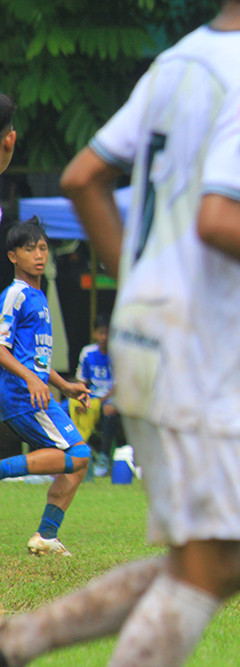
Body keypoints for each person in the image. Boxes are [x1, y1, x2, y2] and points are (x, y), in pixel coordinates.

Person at [0, 1, 240, 665]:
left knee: (229, 557)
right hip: (202, 345)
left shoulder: (176, 61)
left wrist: (143, 287)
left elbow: (83, 177)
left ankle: (21, 639)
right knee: (221, 560)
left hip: (151, 334)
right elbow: (220, 219)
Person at [0, 218, 92, 557]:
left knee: (79, 463)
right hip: (22, 395)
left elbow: (35, 358)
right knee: (79, 455)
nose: (39, 255)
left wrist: (64, 385)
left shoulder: (38, 296)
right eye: (29, 249)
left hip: (37, 390)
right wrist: (30, 379)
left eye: (42, 248)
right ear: (13, 256)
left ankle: (45, 536)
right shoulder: (15, 295)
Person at [70, 312, 120, 475]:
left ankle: (104, 456)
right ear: (95, 334)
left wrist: (100, 400)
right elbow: (82, 381)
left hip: (112, 398)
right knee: (62, 408)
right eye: (101, 332)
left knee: (109, 409)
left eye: (108, 333)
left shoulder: (118, 353)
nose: (105, 337)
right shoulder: (87, 353)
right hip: (91, 396)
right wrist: (82, 399)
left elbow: (119, 385)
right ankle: (68, 454)